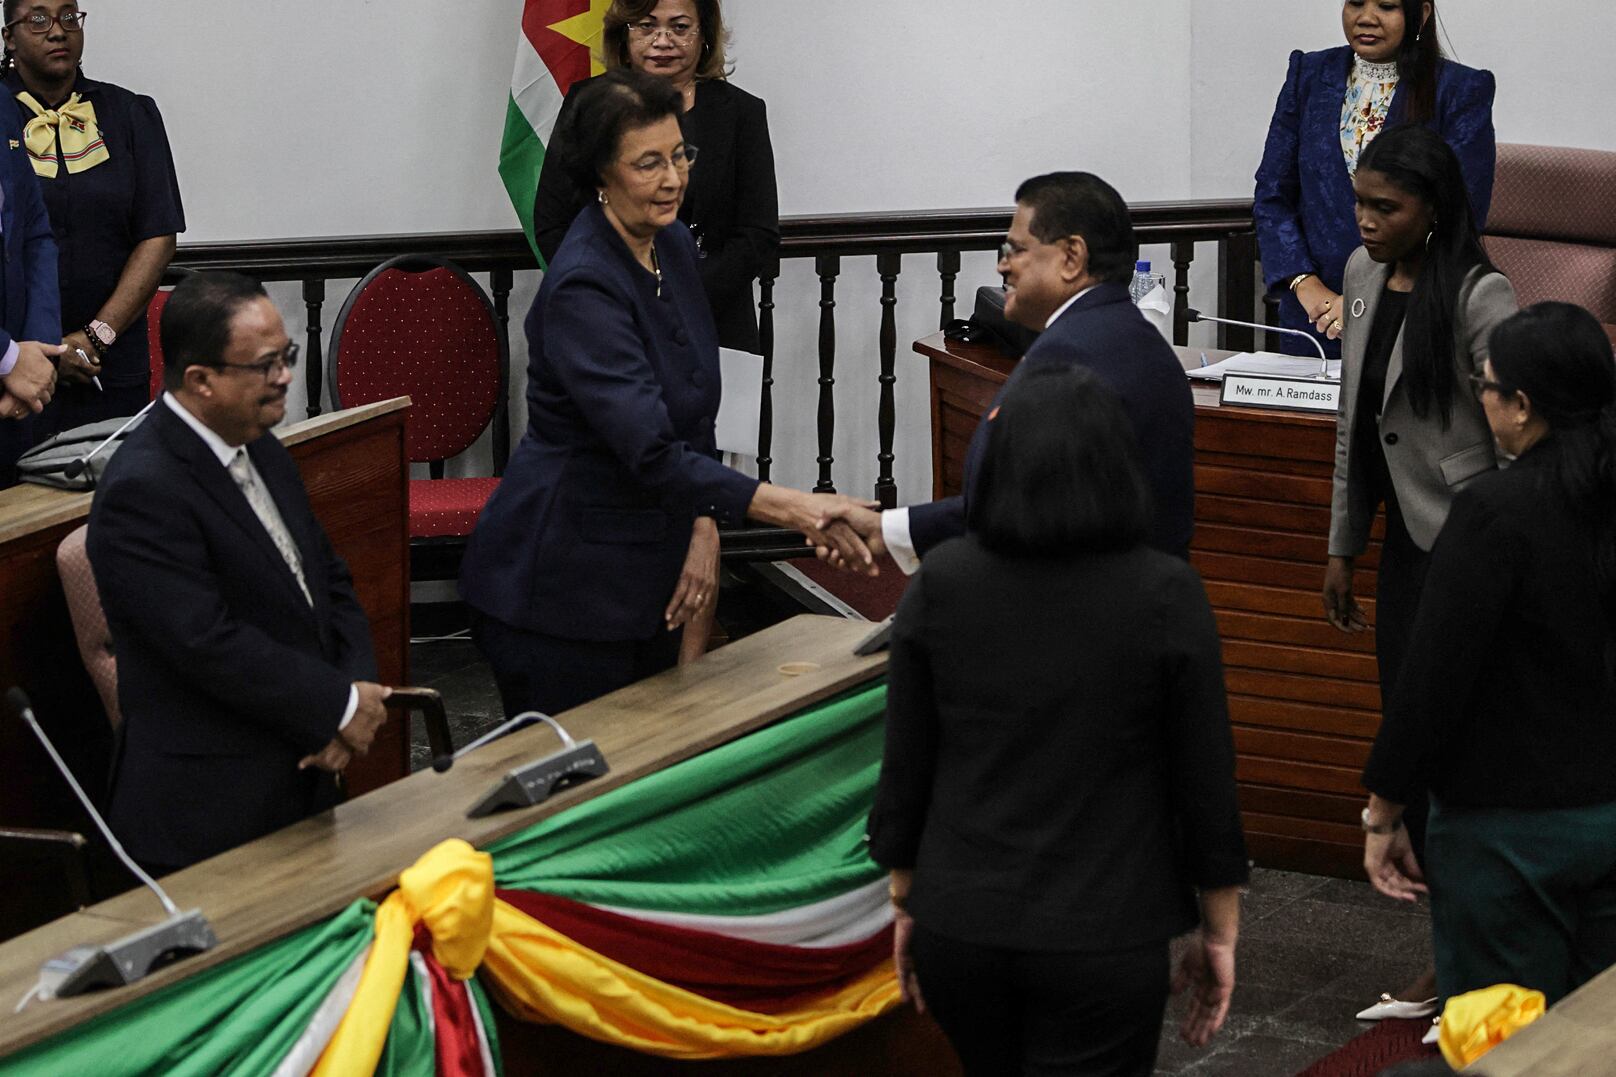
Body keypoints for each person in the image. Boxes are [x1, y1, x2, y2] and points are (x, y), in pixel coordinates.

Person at [868, 364, 1247, 1076]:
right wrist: (1218, 927)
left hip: (963, 918)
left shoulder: (941, 583)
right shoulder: (1165, 592)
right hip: (1106, 927)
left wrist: (904, 897)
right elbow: (1205, 777)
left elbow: (907, 762)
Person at [460, 70, 870, 720]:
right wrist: (797, 507)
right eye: (648, 163)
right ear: (601, 174)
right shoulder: (584, 285)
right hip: (564, 586)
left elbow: (694, 407)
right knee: (582, 806)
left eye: (680, 155)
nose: (674, 178)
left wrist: (703, 525)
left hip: (650, 571)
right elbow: (650, 447)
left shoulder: (672, 243)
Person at [86, 272, 390, 875]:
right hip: (207, 811)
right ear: (200, 380)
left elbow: (327, 578)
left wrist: (354, 694)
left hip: (302, 768)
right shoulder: (141, 490)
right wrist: (332, 704)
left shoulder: (261, 444)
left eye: (287, 357)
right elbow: (206, 643)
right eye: (266, 364)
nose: (284, 377)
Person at [1360, 301, 1616, 1009]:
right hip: (1609, 814)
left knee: (1505, 1041)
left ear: (1524, 406)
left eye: (1488, 382)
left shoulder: (1495, 511)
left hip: (1509, 828)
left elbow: (1434, 675)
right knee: (1598, 1035)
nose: (1481, 394)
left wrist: (1385, 810)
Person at [1319, 122, 1515, 1027]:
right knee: (1414, 739)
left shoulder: (1482, 293)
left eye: (1384, 207)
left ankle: (1478, 971)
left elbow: (1528, 435)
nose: (1364, 221)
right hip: (1403, 549)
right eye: (1359, 201)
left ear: (1432, 211)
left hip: (1472, 549)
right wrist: (1341, 546)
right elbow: (1353, 423)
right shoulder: (1361, 279)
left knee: (1464, 757)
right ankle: (1451, 965)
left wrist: (1516, 560)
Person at [817, 171, 1196, 574]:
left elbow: (1021, 512)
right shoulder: (1130, 337)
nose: (1003, 266)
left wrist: (889, 529)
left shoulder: (1070, 358)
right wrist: (889, 528)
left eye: (1016, 249)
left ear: (1071, 257)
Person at [1254, 0, 1495, 358]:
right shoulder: (1309, 74)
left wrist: (1364, 297)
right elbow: (1272, 195)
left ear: (1422, 14)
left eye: (1387, 6)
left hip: (1409, 310)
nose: (1366, 18)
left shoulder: (1459, 90)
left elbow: (1461, 212)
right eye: (1355, 3)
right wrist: (1305, 284)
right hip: (1312, 315)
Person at [533, 0, 777, 355]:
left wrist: (681, 300)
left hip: (714, 321)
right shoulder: (585, 104)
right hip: (607, 321)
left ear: (703, 35)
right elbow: (553, 222)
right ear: (624, 34)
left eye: (679, 27)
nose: (662, 41)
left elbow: (759, 232)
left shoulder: (742, 113)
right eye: (646, 26)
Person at [3, 0, 183, 439]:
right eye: (39, 19)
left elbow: (158, 234)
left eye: (69, 17)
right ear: (9, 37)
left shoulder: (130, 114)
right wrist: (34, 352)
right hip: (13, 371)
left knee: (113, 498)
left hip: (108, 363)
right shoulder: (0, 116)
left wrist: (96, 335)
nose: (58, 31)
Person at [0, 71, 61, 482]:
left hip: (16, 397)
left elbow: (33, 230)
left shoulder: (3, 102)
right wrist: (6, 359)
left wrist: (34, 355)